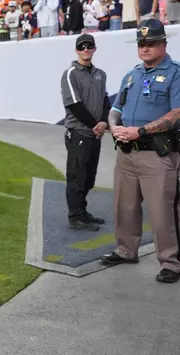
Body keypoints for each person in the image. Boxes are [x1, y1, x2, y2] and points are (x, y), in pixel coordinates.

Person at [104, 19, 180, 284]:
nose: (145, 48)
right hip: (126, 151)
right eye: (141, 43)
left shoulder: (175, 73)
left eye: (150, 43)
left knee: (162, 211)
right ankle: (126, 250)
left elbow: (177, 113)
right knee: (124, 206)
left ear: (163, 44)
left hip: (156, 154)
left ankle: (171, 262)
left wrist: (143, 131)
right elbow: (117, 107)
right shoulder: (132, 74)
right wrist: (114, 126)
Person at [60, 33, 111, 231]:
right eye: (81, 47)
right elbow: (74, 104)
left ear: (94, 49)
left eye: (89, 46)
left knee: (89, 177)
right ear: (76, 50)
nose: (86, 50)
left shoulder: (101, 74)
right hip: (79, 131)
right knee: (76, 176)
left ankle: (83, 211)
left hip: (95, 133)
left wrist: (104, 122)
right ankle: (75, 216)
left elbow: (105, 100)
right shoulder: (70, 73)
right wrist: (95, 125)